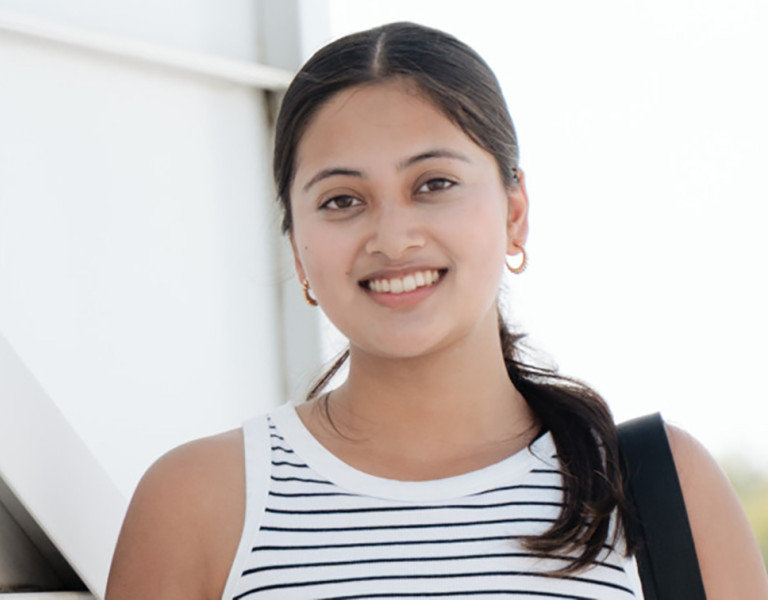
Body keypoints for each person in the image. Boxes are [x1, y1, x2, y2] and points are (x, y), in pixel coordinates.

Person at [106, 22, 768, 600]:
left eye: (434, 185)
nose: (393, 238)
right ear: (297, 248)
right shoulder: (199, 503)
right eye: (341, 199)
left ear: (515, 214)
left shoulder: (657, 489)